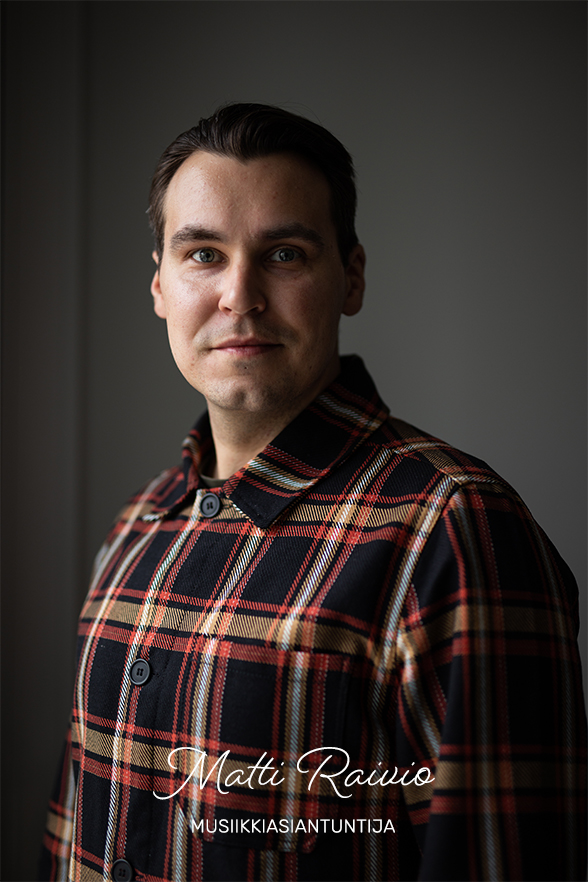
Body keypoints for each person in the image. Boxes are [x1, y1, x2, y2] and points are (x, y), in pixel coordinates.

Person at [40, 103, 586, 882]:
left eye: (285, 253)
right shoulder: (137, 527)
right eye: (202, 254)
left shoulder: (451, 529)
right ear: (160, 285)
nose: (239, 295)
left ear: (351, 277)